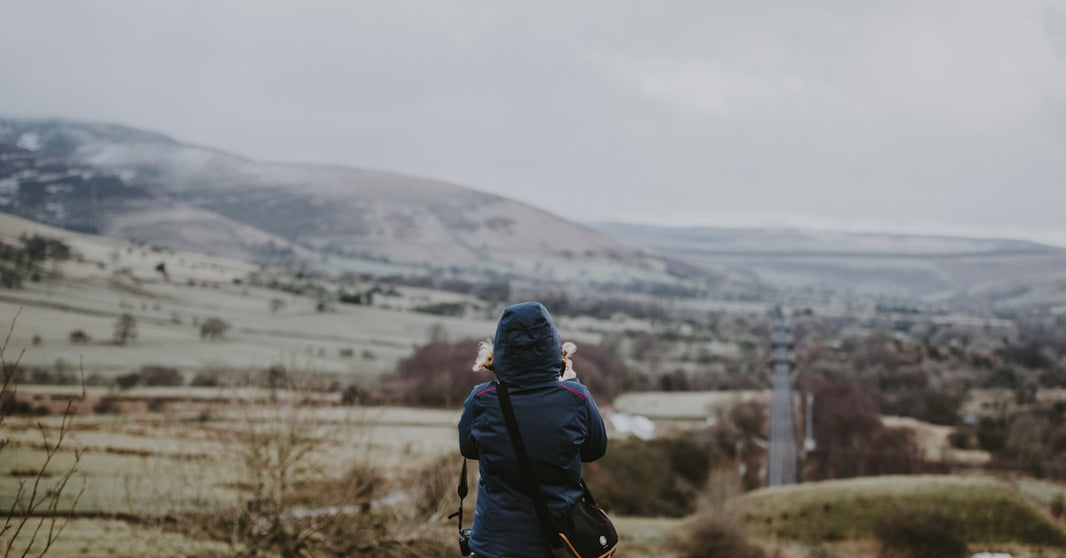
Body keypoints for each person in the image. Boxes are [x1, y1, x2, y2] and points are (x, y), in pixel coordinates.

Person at [458, 301, 608, 558]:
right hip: (558, 544)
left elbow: (469, 449)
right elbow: (595, 449)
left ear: (501, 351)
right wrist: (570, 383)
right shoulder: (576, 398)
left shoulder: (481, 400)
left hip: (493, 546)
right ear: (553, 348)